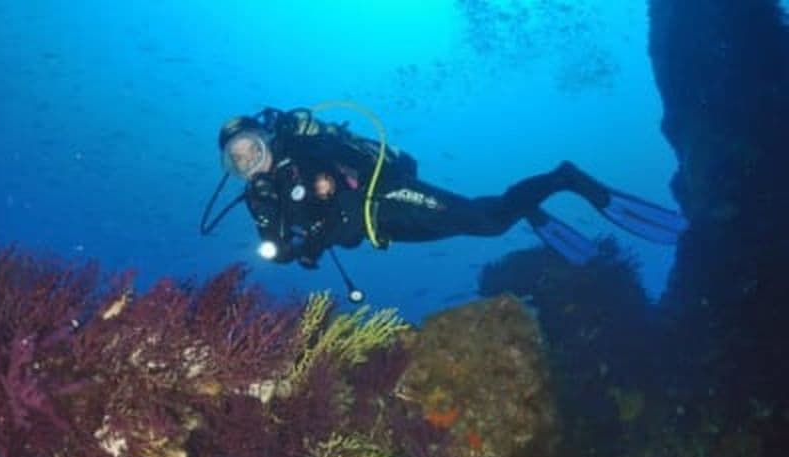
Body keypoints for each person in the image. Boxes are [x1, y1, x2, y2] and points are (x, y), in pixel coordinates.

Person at [204, 106, 687, 273]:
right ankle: (527, 210)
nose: (247, 161)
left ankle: (567, 178)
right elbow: (288, 248)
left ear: (265, 140)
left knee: (487, 223)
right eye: (236, 159)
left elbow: (335, 210)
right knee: (487, 219)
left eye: (249, 148)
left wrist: (309, 242)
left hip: (387, 198)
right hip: (385, 229)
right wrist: (287, 250)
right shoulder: (258, 196)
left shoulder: (304, 156)